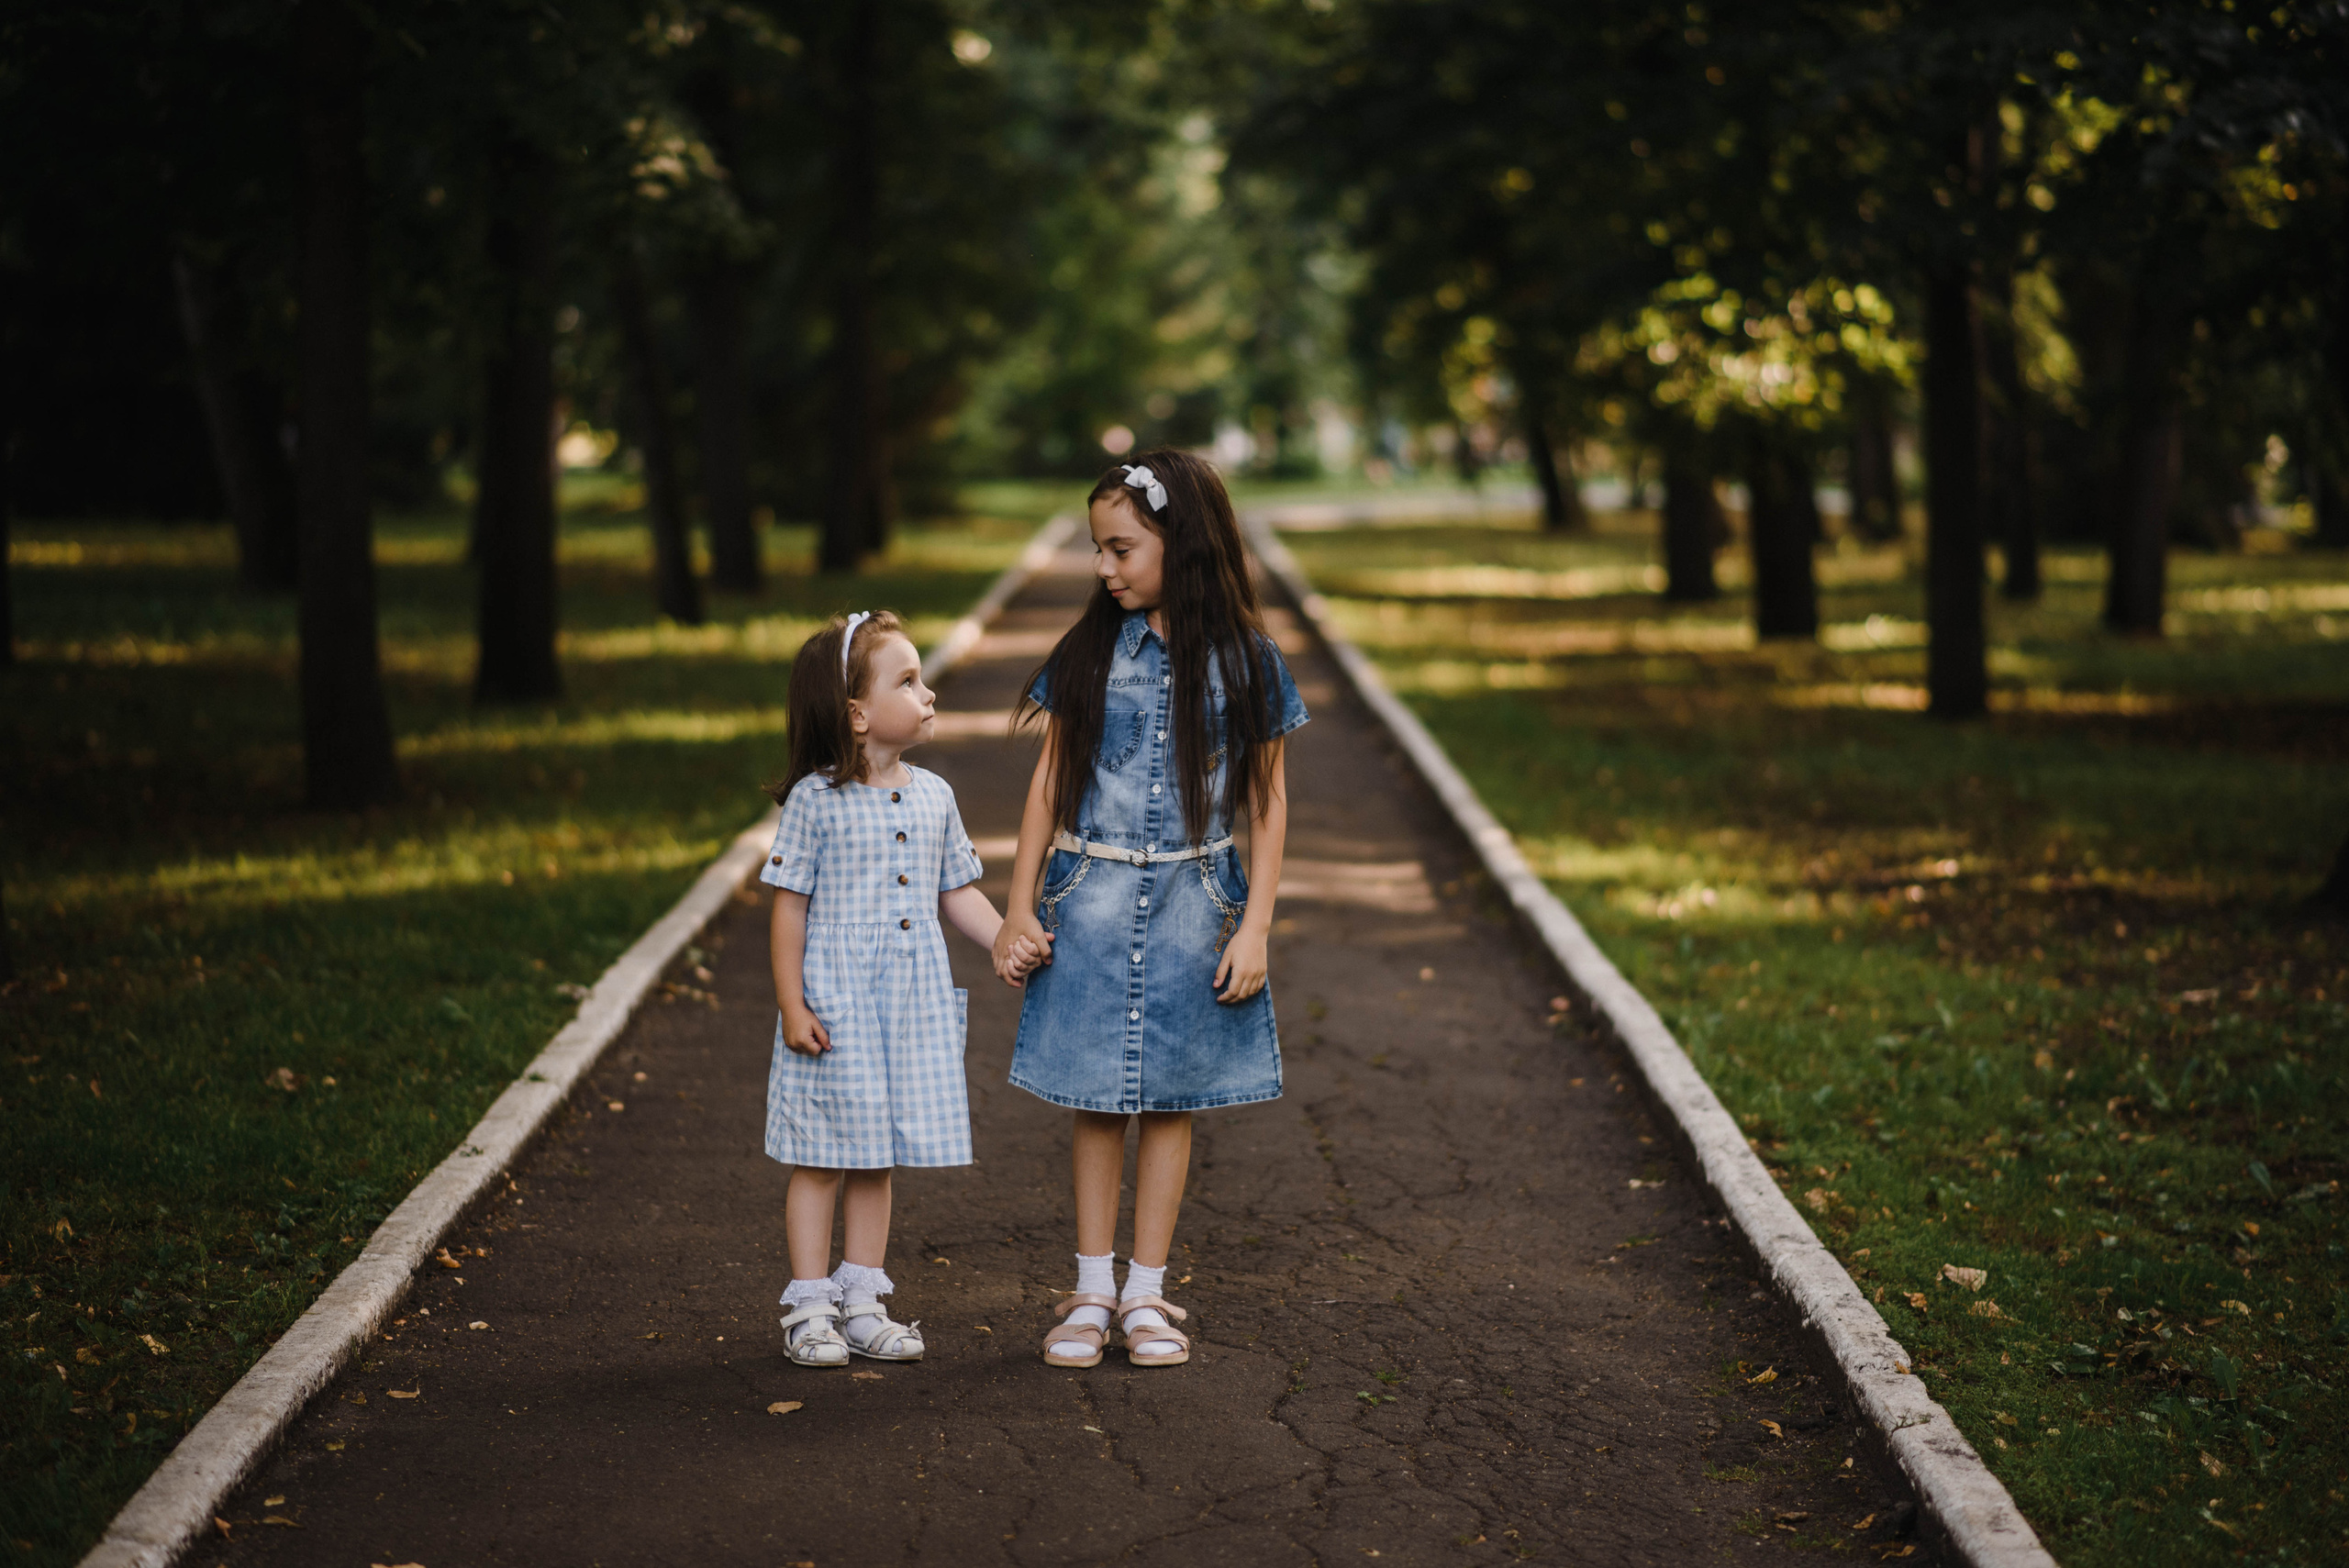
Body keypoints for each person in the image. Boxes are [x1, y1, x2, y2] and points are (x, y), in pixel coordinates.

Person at [989, 451, 1308, 1368]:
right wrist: (1019, 907)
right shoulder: (1089, 651)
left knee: (1171, 1094)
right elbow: (1049, 779)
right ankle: (1090, 1288)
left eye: (1121, 548)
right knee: (1096, 1093)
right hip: (1086, 901)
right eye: (1098, 549)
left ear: (1184, 540)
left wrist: (1254, 926)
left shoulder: (1248, 660)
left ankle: (1146, 1293)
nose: (1105, 567)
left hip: (1193, 899)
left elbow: (1269, 798)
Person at [762, 609, 1041, 1367]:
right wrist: (793, 1002)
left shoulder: (933, 796)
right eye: (909, 681)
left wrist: (1004, 940)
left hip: (906, 1002)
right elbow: (790, 906)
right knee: (821, 1152)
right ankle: (811, 1304)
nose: (929, 693)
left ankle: (863, 1301)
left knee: (878, 1154)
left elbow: (958, 891)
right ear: (856, 714)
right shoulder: (816, 801)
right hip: (837, 1002)